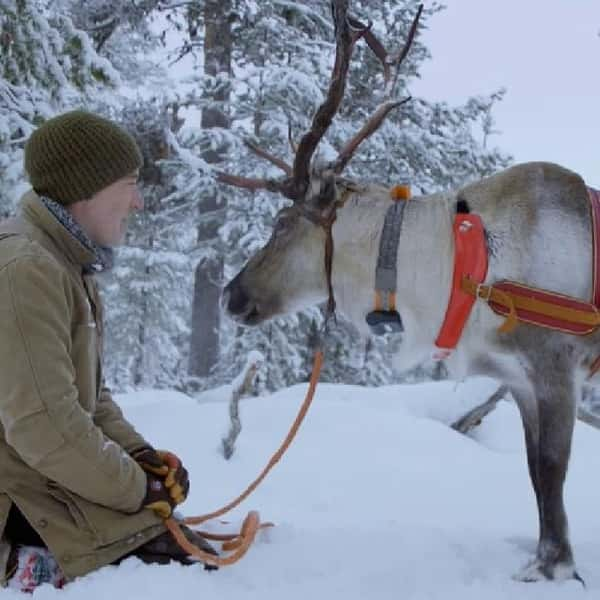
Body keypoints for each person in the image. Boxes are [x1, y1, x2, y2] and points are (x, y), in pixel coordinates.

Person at [0, 111, 217, 591]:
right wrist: (138, 489)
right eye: (129, 183)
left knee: (188, 550)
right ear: (86, 189)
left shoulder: (65, 262)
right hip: (18, 497)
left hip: (40, 481)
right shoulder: (26, 269)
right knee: (184, 573)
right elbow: (43, 423)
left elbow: (89, 399)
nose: (138, 202)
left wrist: (141, 458)